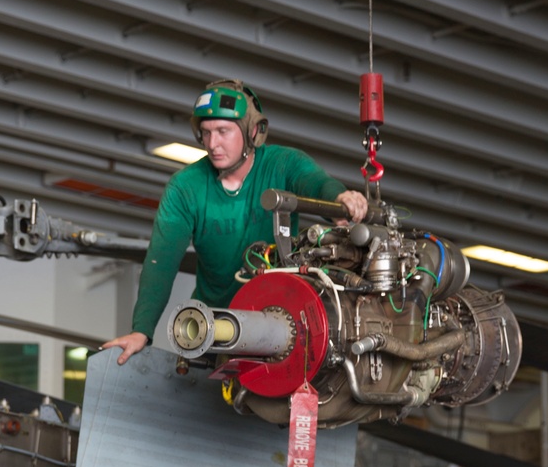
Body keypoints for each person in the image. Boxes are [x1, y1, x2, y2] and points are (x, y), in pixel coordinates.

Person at [102, 80, 369, 364]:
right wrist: (141, 330)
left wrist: (340, 199)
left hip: (280, 322)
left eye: (223, 131)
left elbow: (315, 184)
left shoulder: (282, 165)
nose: (213, 144)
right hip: (215, 327)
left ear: (252, 131)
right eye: (206, 133)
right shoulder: (185, 188)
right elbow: (161, 260)